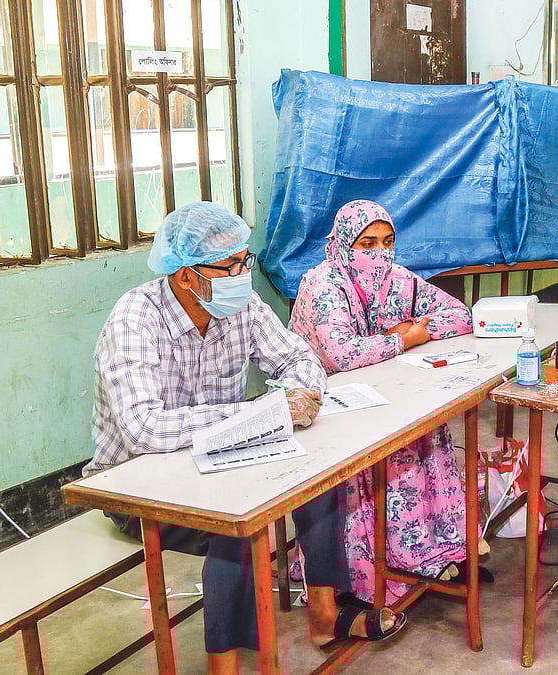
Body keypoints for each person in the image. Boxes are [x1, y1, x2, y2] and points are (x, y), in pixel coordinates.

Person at [85, 201, 405, 674]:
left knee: (321, 477)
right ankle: (226, 667)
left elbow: (300, 358)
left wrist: (300, 392)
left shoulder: (240, 305)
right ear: (186, 276)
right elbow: (144, 429)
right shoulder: (136, 319)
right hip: (137, 484)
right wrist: (255, 413)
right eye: (229, 266)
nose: (242, 274)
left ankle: (325, 613)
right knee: (239, 523)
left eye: (244, 260)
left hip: (219, 456)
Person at [289, 199, 473, 604]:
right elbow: (343, 355)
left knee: (425, 429)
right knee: (379, 456)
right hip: (331, 406)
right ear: (342, 243)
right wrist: (402, 339)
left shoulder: (399, 279)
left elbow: (459, 314)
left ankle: (420, 556)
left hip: (386, 390)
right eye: (367, 243)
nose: (379, 253)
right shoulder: (323, 284)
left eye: (387, 242)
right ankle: (362, 576)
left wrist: (408, 331)